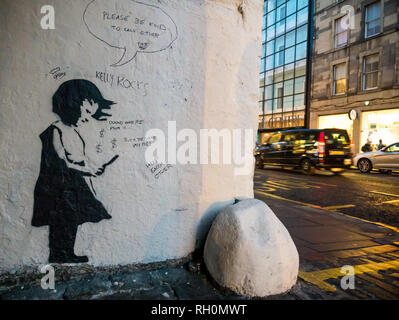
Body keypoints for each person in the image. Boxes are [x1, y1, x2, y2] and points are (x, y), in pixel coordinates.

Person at [32, 79, 118, 263]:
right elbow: (62, 161)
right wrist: (89, 170)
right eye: (87, 112)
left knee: (70, 220)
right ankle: (59, 253)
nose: (87, 118)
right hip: (58, 187)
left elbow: (77, 157)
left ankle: (65, 252)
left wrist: (92, 167)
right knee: (62, 219)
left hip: (71, 184)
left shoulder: (73, 131)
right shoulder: (56, 130)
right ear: (70, 104)